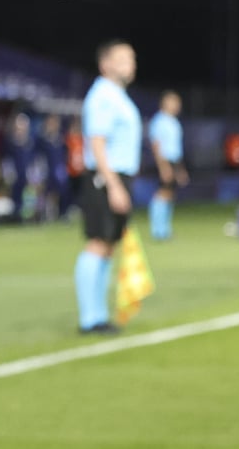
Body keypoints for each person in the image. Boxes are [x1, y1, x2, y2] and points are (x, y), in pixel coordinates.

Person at [76, 41, 142, 334]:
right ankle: (89, 318)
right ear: (105, 64)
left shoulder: (117, 96)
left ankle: (99, 314)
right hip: (105, 178)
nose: (130, 63)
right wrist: (113, 185)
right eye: (123, 58)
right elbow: (97, 143)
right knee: (98, 242)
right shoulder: (102, 96)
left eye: (132, 58)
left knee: (109, 245)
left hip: (117, 177)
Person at [148, 91, 187, 241]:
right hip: (164, 161)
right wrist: (163, 167)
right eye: (173, 102)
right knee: (162, 193)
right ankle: (157, 230)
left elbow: (176, 148)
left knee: (170, 194)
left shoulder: (174, 122)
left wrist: (180, 169)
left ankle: (165, 229)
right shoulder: (159, 121)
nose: (177, 106)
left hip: (174, 161)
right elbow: (156, 145)